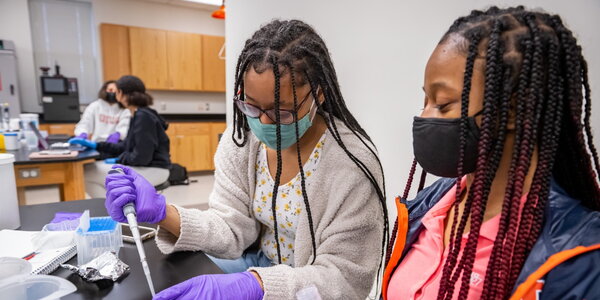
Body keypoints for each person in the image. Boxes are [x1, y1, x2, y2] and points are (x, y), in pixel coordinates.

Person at [105, 20, 388, 299]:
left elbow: (345, 279)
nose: (263, 123)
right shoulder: (242, 140)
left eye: (281, 112)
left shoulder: (352, 164)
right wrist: (163, 212)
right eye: (251, 106)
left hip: (311, 288)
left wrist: (258, 286)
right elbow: (230, 229)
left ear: (318, 95)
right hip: (257, 263)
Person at [383, 6, 600, 300]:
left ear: (511, 111)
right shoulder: (426, 210)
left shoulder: (578, 256)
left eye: (444, 104)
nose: (425, 116)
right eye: (425, 101)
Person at [70, 75, 170, 198]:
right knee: (90, 170)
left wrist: (118, 160)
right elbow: (125, 146)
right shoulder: (139, 114)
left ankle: (113, 212)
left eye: (116, 91)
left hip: (155, 170)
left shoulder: (143, 117)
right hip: (148, 167)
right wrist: (97, 145)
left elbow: (141, 158)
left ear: (121, 93)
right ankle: (117, 209)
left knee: (87, 173)